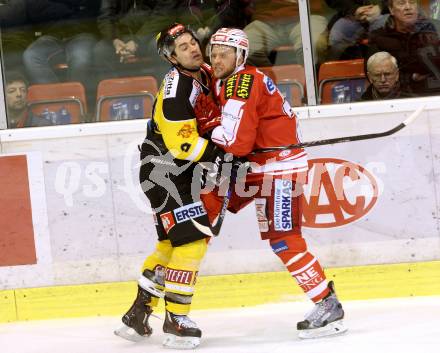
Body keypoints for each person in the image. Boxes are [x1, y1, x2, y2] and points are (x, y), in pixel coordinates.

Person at [197, 28, 347, 339]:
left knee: (283, 238)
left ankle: (327, 302)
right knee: (208, 201)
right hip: (258, 166)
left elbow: (236, 142)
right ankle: (175, 269)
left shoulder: (242, 82)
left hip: (279, 169)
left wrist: (205, 126)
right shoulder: (233, 80)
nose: (217, 57)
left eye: (225, 52)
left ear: (241, 55)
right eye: (214, 51)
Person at [113, 23, 225, 350]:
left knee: (169, 246)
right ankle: (176, 320)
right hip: (166, 174)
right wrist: (226, 151)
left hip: (174, 173)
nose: (193, 48)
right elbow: (183, 147)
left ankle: (138, 314)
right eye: (184, 46)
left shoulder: (202, 72)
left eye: (193, 42)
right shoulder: (177, 89)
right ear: (171, 57)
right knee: (192, 241)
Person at [368, 0, 440, 96]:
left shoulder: (436, 30)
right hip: (399, 99)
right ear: (391, 9)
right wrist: (411, 77)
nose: (408, 7)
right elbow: (375, 76)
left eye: (412, 2)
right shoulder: (379, 39)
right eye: (401, 3)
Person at [243, 0, 328, 66]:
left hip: (307, 14)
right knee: (241, 48)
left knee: (313, 45)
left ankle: (308, 84)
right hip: (266, 19)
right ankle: (270, 83)